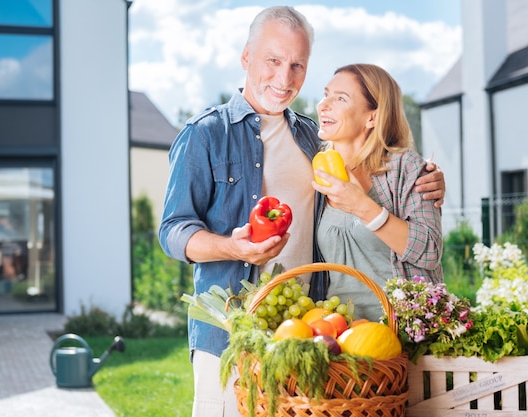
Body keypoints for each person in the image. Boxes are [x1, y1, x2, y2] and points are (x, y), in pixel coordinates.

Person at [158, 7, 445, 417]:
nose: (285, 77)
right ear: (246, 57)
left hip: (309, 334)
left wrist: (428, 180)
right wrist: (232, 247)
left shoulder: (313, 136)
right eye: (273, 61)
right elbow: (173, 231)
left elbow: (373, 163)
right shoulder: (205, 134)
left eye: (297, 65)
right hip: (230, 334)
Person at [311, 63, 443, 323]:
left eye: (340, 98)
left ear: (372, 117)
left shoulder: (405, 168)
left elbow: (430, 250)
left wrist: (362, 206)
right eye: (326, 94)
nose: (323, 105)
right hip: (340, 335)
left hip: (403, 333)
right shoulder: (316, 169)